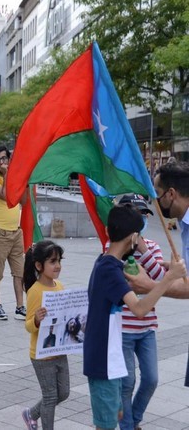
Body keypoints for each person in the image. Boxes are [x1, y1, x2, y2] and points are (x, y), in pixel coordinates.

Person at [83, 204, 185, 430]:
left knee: (113, 416)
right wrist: (169, 279)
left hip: (107, 357)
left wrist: (160, 271)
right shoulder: (109, 269)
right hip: (103, 361)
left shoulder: (106, 263)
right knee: (106, 424)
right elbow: (139, 309)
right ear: (133, 238)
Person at [102, 194, 167, 430]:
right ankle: (127, 426)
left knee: (151, 379)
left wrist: (143, 250)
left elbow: (160, 281)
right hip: (124, 327)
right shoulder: (113, 249)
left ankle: (134, 419)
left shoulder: (152, 247)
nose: (141, 220)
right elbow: (115, 283)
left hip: (147, 326)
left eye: (144, 215)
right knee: (127, 382)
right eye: (136, 215)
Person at [22, 240, 69, 430]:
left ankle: (31, 414)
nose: (57, 266)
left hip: (60, 350)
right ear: (39, 266)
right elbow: (28, 325)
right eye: (52, 261)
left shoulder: (59, 286)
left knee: (63, 393)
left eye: (59, 260)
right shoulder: (35, 291)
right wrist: (36, 320)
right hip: (41, 355)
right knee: (50, 396)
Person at [152, 161, 189, 388]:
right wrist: (171, 267)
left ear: (171, 193)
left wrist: (148, 288)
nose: (157, 201)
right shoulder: (184, 225)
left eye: (158, 194)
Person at [0, 145, 26, 321]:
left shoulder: (14, 179)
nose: (2, 162)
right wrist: (9, 174)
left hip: (16, 232)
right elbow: (6, 194)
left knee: (19, 271)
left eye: (5, 158)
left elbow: (23, 201)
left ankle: (20, 306)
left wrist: (24, 181)